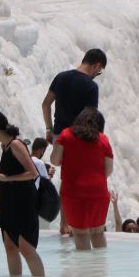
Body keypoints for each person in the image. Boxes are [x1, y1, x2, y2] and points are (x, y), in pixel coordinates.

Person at [0, 110, 43, 277]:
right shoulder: (5, 146)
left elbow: (33, 173)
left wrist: (6, 178)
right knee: (10, 245)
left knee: (26, 248)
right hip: (9, 201)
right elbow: (11, 172)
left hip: (23, 202)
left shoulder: (16, 144)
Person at [51, 107, 114, 251]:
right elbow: (108, 170)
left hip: (74, 192)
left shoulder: (66, 135)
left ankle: (86, 273)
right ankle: (100, 270)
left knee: (80, 234)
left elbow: (55, 160)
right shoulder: (103, 139)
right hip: (99, 192)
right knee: (98, 233)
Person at [42, 48, 106, 144]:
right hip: (78, 140)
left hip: (59, 136)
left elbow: (45, 104)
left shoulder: (61, 77)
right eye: (99, 72)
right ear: (97, 65)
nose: (97, 74)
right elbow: (92, 119)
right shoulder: (91, 86)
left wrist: (49, 129)